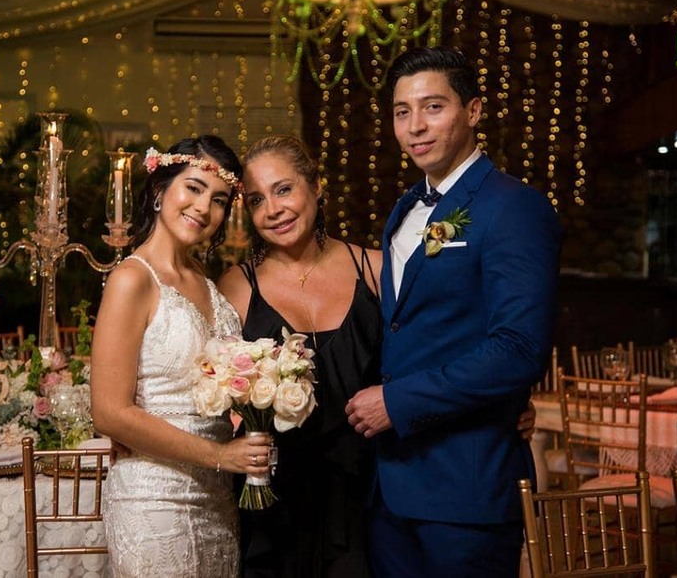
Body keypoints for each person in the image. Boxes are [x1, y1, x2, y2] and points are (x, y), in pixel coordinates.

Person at [217, 134, 538, 577]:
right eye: (256, 200)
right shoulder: (235, 286)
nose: (273, 209)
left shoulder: (375, 268)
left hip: (372, 495)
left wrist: (507, 402)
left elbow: (445, 347)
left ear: (316, 186)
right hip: (275, 502)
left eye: (284, 189)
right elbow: (210, 385)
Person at [345, 46, 561, 577]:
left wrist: (397, 401)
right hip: (391, 489)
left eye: (433, 107)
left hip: (467, 489)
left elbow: (519, 349)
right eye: (402, 112)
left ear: (474, 110)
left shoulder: (513, 206)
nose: (415, 126)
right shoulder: (404, 210)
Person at [90, 135, 273, 577]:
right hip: (153, 499)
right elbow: (109, 413)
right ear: (160, 189)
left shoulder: (208, 282)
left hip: (216, 499)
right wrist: (221, 456)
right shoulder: (132, 279)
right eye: (193, 187)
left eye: (219, 199)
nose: (203, 208)